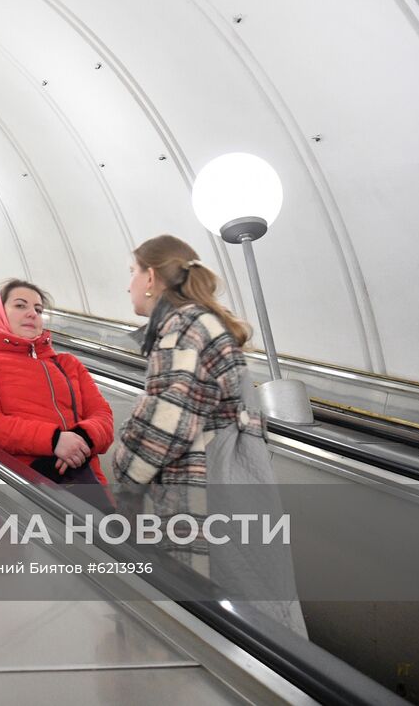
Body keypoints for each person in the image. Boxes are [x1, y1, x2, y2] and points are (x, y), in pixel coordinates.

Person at [112, 234, 306, 635]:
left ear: (151, 277)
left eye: (132, 272)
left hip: (211, 494)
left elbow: (165, 424)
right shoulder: (200, 323)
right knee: (255, 602)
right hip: (232, 483)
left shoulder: (184, 329)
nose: (128, 283)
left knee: (235, 615)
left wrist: (124, 468)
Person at [0, 279, 115, 493]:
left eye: (38, 309)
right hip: (23, 483)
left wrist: (81, 440)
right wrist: (54, 441)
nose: (32, 313)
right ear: (0, 313)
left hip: (86, 479)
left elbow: (103, 415)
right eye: (20, 305)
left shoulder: (68, 364)